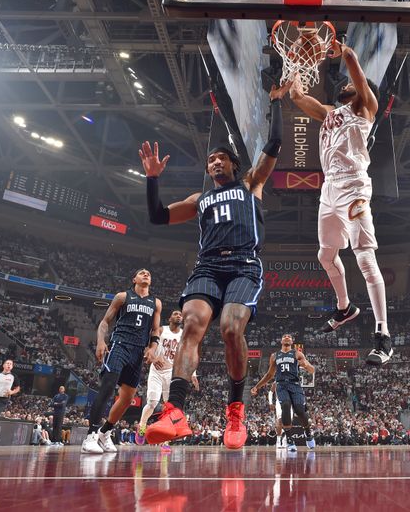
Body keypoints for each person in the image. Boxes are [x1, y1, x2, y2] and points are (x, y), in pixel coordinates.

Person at [143, 81, 291, 449]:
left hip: (243, 266)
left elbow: (273, 146)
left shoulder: (251, 184)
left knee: (229, 328)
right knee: (191, 324)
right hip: (207, 267)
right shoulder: (201, 197)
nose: (214, 161)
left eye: (220, 157)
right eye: (210, 159)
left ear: (232, 164)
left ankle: (235, 410)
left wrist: (276, 104)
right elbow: (158, 216)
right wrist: (152, 178)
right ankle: (174, 411)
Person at [288, 41, 392, 367]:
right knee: (325, 255)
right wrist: (295, 65)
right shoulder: (332, 114)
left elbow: (353, 64)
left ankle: (383, 335)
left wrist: (342, 50)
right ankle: (345, 307)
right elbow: (297, 97)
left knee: (364, 256)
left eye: (351, 84)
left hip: (355, 188)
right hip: (329, 189)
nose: (346, 85)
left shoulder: (366, 107)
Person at [82, 268, 163, 454]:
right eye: (141, 272)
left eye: (149, 273)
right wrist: (101, 341)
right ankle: (91, 436)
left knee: (127, 399)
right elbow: (105, 322)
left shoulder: (155, 303)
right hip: (120, 345)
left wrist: (152, 348)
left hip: (138, 352)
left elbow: (155, 330)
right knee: (108, 387)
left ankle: (105, 432)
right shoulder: (122, 296)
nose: (146, 274)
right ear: (134, 278)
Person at [135, 309, 199, 445]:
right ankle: (142, 426)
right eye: (175, 314)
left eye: (181, 315)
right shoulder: (161, 330)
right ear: (170, 318)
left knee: (169, 406)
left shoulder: (183, 335)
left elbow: (188, 354)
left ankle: (165, 441)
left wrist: (193, 373)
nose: (178, 316)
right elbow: (147, 347)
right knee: (152, 402)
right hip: (156, 371)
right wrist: (153, 357)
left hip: (171, 372)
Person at [250, 333, 316, 452]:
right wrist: (257, 386)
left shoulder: (297, 354)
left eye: (289, 337)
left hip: (295, 384)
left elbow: (312, 370)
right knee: (285, 406)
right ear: (281, 341)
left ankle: (308, 433)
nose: (287, 337)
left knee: (300, 411)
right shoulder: (275, 356)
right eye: (285, 336)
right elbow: (269, 375)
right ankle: (290, 440)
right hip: (281, 385)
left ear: (292, 342)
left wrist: (306, 365)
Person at [269, 382, 286, 449]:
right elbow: (270, 392)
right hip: (279, 402)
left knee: (288, 422)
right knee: (280, 420)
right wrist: (270, 403)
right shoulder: (276, 382)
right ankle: (278, 440)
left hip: (289, 402)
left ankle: (285, 439)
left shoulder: (291, 381)